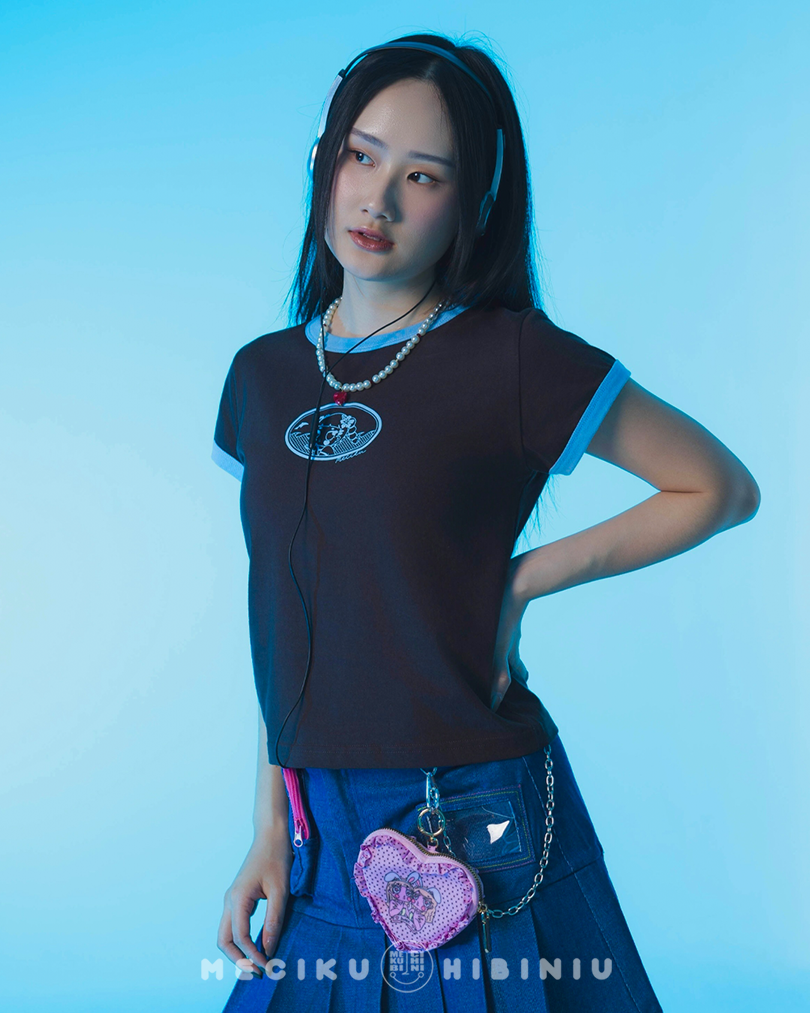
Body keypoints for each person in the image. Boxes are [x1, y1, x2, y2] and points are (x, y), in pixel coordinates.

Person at [211, 32, 760, 1012]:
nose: (378, 200)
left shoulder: (511, 357)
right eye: (361, 156)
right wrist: (268, 827)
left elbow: (719, 486)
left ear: (473, 202)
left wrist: (520, 581)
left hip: (472, 817)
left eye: (422, 176)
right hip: (317, 821)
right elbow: (284, 617)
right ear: (323, 158)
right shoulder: (261, 376)